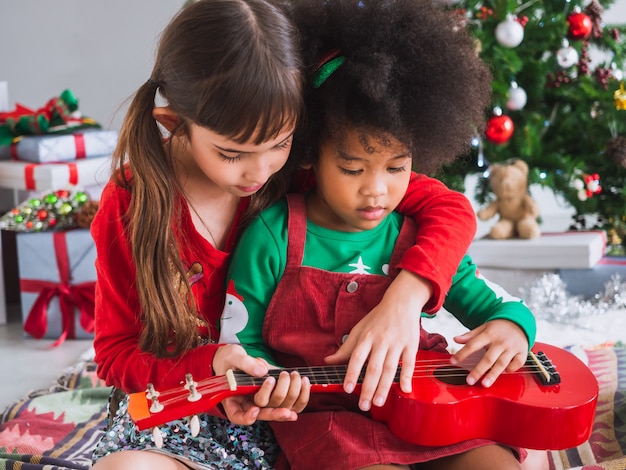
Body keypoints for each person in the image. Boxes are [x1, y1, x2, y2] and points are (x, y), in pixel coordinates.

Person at [89, 0, 482, 469]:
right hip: (184, 406)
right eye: (232, 153)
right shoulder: (133, 202)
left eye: (280, 143)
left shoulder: (300, 169)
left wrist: (404, 301)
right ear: (174, 122)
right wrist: (212, 366)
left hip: (297, 410)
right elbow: (116, 356)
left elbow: (448, 209)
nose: (259, 170)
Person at [218, 0, 542, 469]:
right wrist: (269, 381)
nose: (377, 189)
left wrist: (515, 328)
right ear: (308, 154)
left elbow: (495, 303)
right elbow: (239, 339)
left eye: (397, 167)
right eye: (352, 168)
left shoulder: (414, 234)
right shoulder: (272, 235)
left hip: (431, 411)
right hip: (331, 423)